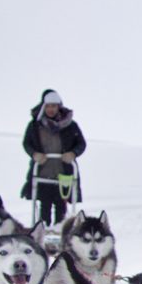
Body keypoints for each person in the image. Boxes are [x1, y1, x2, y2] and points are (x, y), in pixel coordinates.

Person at [20, 89, 87, 228]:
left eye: (54, 106)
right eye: (48, 106)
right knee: (45, 206)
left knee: (61, 207)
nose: (51, 109)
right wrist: (34, 154)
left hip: (64, 174)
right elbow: (27, 143)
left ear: (59, 107)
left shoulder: (70, 125)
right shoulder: (35, 125)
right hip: (43, 173)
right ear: (43, 107)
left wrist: (73, 153)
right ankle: (43, 231)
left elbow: (81, 143)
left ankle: (60, 231)